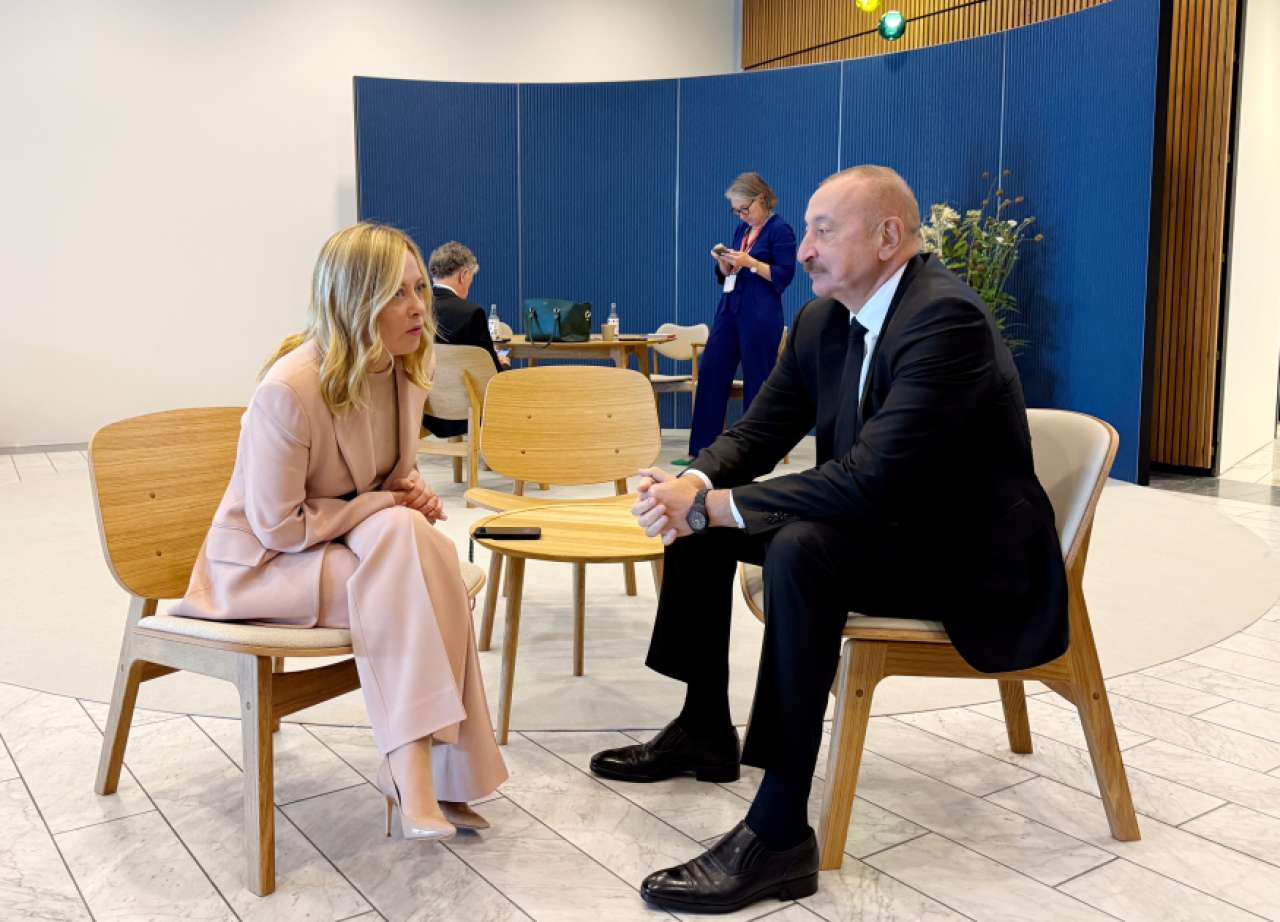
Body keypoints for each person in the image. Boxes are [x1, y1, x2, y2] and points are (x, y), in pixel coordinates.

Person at [590, 166, 1068, 913]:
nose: (804, 249)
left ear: (888, 237)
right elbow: (759, 431)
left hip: (968, 557)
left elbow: (868, 480)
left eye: (823, 230)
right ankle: (704, 728)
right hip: (885, 526)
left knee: (798, 548)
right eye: (807, 230)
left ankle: (779, 833)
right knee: (704, 529)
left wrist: (714, 505)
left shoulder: (947, 320)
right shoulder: (824, 319)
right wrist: (693, 484)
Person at [173, 222, 507, 841]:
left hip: (349, 550)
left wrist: (409, 490)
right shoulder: (289, 390)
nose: (418, 307)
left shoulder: (406, 370)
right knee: (418, 560)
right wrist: (384, 503)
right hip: (262, 567)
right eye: (395, 293)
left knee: (412, 541)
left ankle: (418, 775)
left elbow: (385, 477)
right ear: (353, 301)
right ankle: (427, 773)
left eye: (419, 289)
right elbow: (278, 525)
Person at [678, 172, 796, 465]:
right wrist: (724, 263)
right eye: (737, 211)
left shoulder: (780, 230)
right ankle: (702, 450)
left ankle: (753, 452)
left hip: (760, 312)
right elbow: (728, 275)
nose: (742, 216)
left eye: (745, 209)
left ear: (761, 199)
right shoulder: (742, 230)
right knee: (711, 371)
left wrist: (751, 263)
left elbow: (784, 275)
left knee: (757, 378)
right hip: (730, 308)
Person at [423, 241, 508, 439]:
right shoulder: (471, 313)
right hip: (467, 414)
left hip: (426, 410)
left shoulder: (417, 307)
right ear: (463, 275)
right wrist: (503, 363)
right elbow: (490, 374)